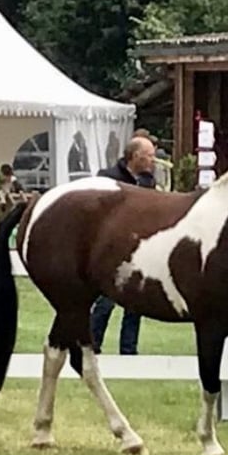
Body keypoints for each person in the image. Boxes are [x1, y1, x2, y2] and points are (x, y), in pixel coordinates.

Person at [91, 135, 156, 355]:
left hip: (139, 250)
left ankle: (129, 350)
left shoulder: (148, 182)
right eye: (149, 156)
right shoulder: (108, 178)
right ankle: (92, 344)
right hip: (113, 252)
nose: (153, 160)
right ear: (136, 156)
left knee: (135, 304)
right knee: (106, 301)